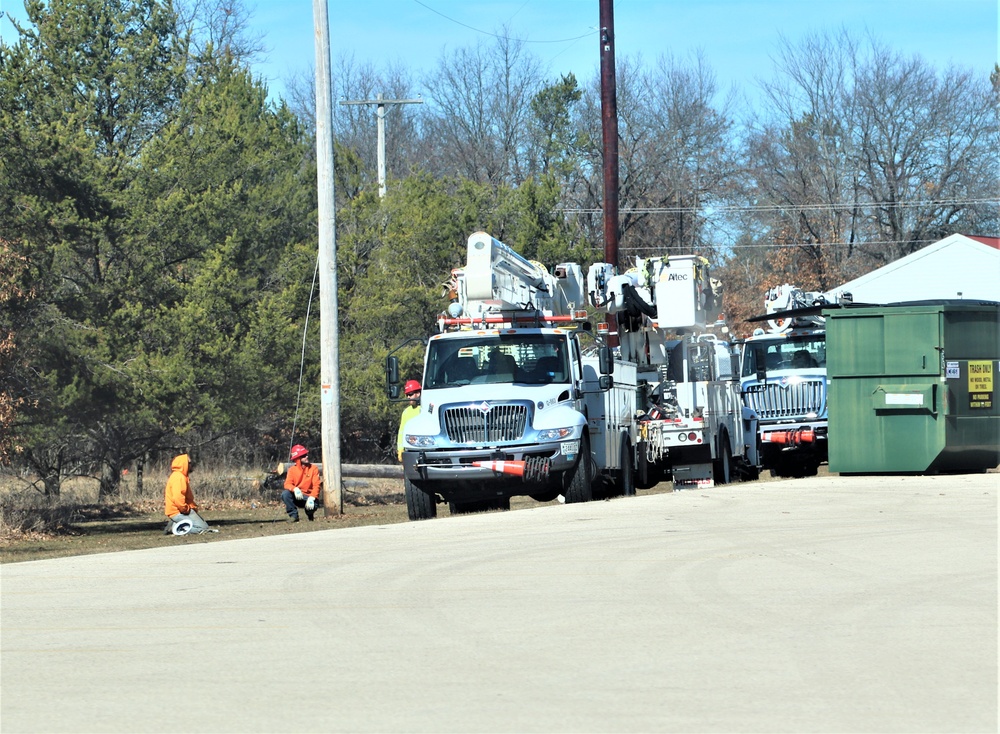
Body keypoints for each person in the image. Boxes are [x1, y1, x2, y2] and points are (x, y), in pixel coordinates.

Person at [163, 453, 214, 535]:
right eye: (189, 463)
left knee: (203, 526)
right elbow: (177, 497)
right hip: (180, 511)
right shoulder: (178, 477)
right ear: (183, 464)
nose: (191, 465)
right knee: (202, 528)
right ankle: (175, 529)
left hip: (181, 510)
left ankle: (176, 524)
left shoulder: (179, 476)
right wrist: (185, 509)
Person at [282, 444, 322, 522]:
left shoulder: (314, 468)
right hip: (298, 496)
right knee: (285, 494)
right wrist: (295, 489)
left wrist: (312, 497)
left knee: (312, 506)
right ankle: (294, 516)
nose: (306, 457)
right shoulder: (292, 470)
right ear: (297, 458)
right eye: (303, 455)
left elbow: (317, 485)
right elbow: (287, 484)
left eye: (306, 455)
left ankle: (310, 514)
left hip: (309, 497)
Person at [396, 379, 422, 462]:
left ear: (418, 393)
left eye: (410, 394)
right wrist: (400, 449)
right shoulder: (406, 412)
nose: (408, 397)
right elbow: (401, 432)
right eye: (407, 395)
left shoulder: (426, 409)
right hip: (409, 450)